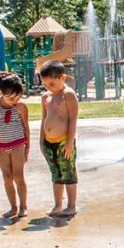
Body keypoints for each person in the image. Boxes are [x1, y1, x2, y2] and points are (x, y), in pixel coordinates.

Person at [39, 61, 79, 218]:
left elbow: (73, 119)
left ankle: (71, 206)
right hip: (49, 142)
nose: (49, 87)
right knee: (55, 174)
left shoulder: (68, 94)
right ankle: (57, 205)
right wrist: (41, 141)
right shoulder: (46, 97)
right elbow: (44, 120)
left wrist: (70, 142)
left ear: (62, 78)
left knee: (68, 173)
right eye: (45, 84)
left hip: (64, 142)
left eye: (52, 84)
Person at [0, 72, 30, 220]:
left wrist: (27, 148)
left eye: (18, 96)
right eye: (11, 97)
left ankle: (23, 206)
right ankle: (13, 207)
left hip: (17, 143)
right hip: (1, 146)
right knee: (7, 177)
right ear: (1, 92)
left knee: (18, 176)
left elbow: (26, 127)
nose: (15, 100)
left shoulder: (20, 107)